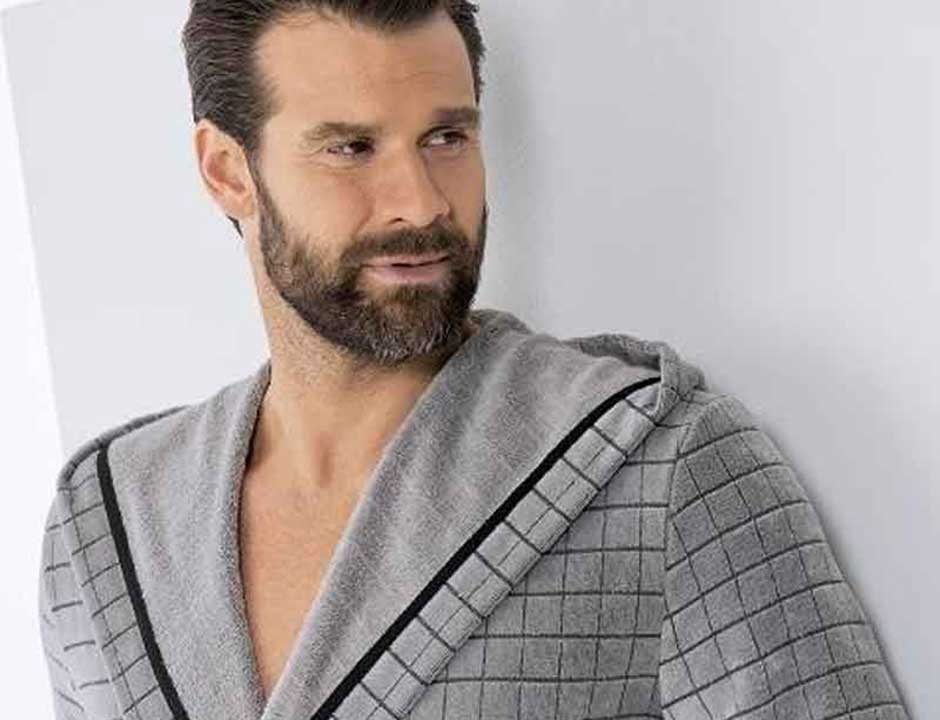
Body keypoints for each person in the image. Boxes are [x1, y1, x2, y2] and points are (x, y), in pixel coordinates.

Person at [38, 2, 911, 719]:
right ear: (229, 171)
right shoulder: (106, 528)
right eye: (351, 148)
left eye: (447, 137)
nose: (420, 202)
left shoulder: (664, 467)